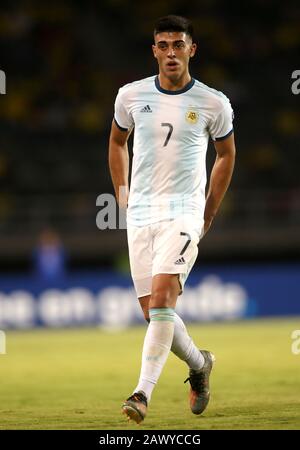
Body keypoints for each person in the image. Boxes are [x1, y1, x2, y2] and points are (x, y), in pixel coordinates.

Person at [108, 15, 236, 424]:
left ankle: (141, 393)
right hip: (142, 213)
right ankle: (200, 366)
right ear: (154, 51)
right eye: (162, 45)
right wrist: (123, 195)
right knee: (154, 315)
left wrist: (208, 209)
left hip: (183, 210)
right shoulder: (130, 96)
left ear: (191, 50)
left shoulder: (214, 102)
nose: (170, 53)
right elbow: (116, 142)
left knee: (163, 301)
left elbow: (227, 154)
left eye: (178, 45)